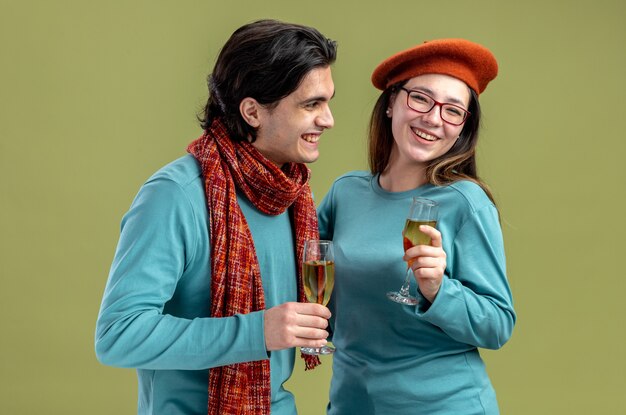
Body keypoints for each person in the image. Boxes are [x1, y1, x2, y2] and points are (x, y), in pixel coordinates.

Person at [95, 19, 337, 415]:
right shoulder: (175, 196)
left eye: (328, 102)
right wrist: (256, 331)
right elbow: (118, 335)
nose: (328, 119)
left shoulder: (292, 192)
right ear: (253, 111)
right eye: (311, 104)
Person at [318, 39, 516, 414]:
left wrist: (440, 290)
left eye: (453, 110)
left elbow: (498, 324)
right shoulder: (346, 193)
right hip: (352, 403)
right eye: (421, 99)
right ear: (392, 102)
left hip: (443, 406)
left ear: (462, 129)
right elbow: (307, 279)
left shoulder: (466, 203)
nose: (433, 118)